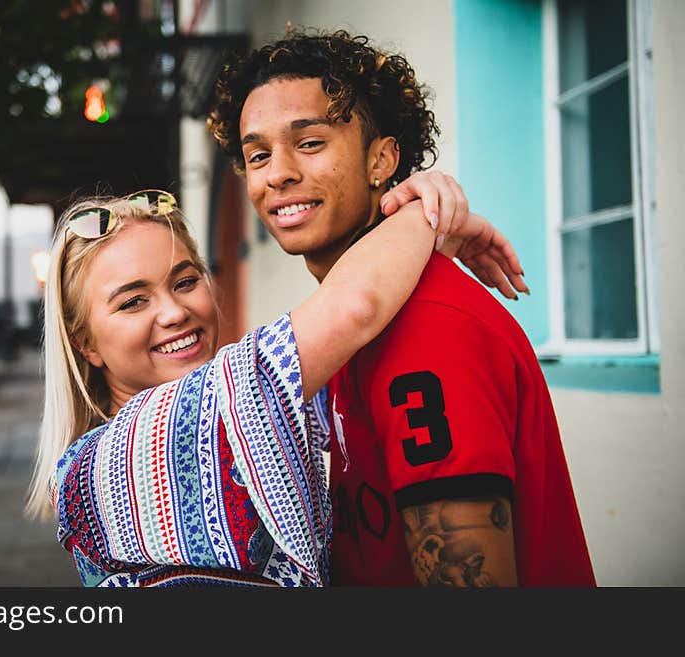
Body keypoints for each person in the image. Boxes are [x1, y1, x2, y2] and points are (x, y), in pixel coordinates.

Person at [206, 28, 595, 586]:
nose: (278, 173)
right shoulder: (342, 324)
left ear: (381, 159)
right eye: (258, 154)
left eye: (310, 142)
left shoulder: (427, 327)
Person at [26, 186, 526, 587]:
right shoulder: (116, 455)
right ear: (85, 342)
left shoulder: (235, 407)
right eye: (133, 302)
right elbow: (356, 308)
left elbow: (358, 383)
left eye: (184, 281)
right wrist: (428, 214)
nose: (175, 312)